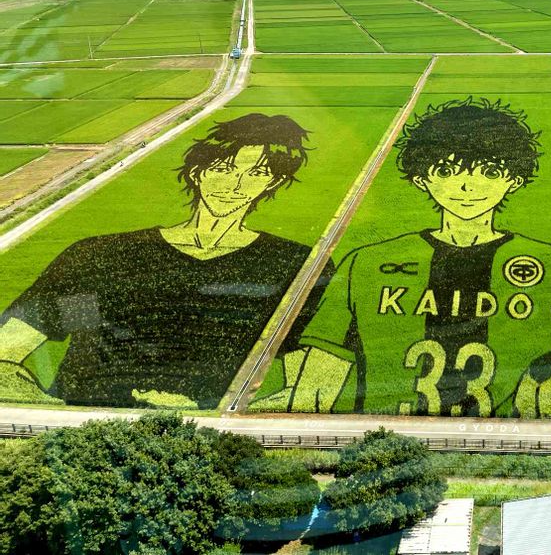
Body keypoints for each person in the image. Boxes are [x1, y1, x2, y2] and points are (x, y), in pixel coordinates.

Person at [259, 98, 551, 417]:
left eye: (489, 171)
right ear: (421, 178)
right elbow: (318, 378)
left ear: (514, 179)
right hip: (388, 436)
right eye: (446, 170)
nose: (466, 186)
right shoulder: (365, 263)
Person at [0, 113, 328, 409]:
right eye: (223, 169)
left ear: (273, 181)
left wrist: (199, 416)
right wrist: (60, 412)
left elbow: (310, 392)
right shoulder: (100, 254)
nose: (235, 185)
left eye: (256, 173)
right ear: (197, 172)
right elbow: (6, 355)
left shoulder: (294, 264)